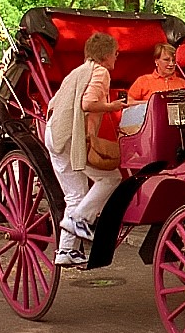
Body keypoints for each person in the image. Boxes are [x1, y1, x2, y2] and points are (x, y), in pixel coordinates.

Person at [44, 32, 127, 266]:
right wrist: (114, 105)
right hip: (70, 136)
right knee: (111, 178)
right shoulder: (101, 72)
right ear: (105, 55)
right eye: (115, 52)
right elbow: (87, 103)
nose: (117, 56)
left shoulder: (78, 71)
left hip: (54, 133)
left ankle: (66, 251)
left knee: (75, 194)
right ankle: (81, 219)